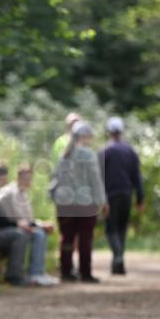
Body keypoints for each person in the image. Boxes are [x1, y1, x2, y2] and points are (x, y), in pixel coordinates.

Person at [49, 121, 108, 283]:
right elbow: (95, 180)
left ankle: (66, 271)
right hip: (85, 204)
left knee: (66, 238)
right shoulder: (88, 154)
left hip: (64, 204)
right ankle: (85, 272)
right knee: (85, 238)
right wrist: (102, 201)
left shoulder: (63, 154)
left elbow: (54, 179)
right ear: (85, 136)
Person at [0, 163, 59, 286]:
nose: (29, 181)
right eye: (26, 178)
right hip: (7, 227)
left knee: (41, 232)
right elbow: (17, 218)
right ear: (19, 177)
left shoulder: (22, 193)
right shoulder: (10, 192)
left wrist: (42, 224)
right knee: (39, 234)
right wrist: (39, 226)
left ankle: (39, 272)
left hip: (18, 225)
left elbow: (28, 218)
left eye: (30, 179)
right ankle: (35, 274)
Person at [98, 116, 144, 275]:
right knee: (122, 228)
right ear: (122, 131)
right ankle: (118, 266)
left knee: (111, 228)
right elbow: (137, 176)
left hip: (110, 196)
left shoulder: (105, 151)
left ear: (109, 132)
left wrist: (101, 198)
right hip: (126, 195)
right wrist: (140, 198)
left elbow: (99, 178)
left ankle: (117, 256)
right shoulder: (130, 151)